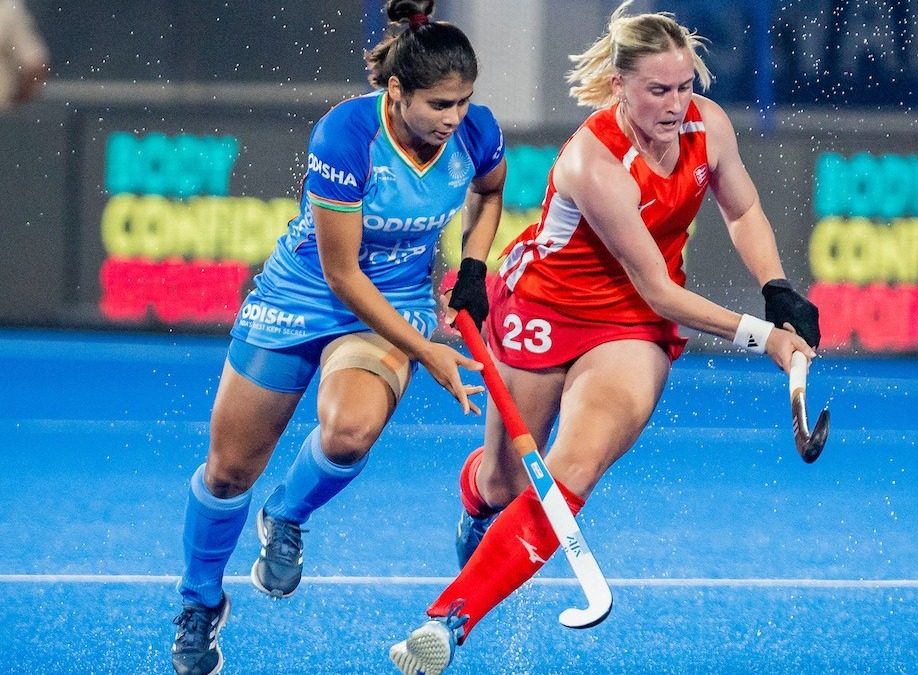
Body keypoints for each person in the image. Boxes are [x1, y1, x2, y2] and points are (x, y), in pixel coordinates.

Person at [388, 2, 820, 673]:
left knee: (571, 469)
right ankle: (477, 500)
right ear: (619, 85)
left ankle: (447, 621)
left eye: (685, 87)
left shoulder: (708, 127)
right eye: (658, 90)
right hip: (546, 306)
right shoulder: (595, 160)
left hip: (631, 326)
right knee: (505, 483)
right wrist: (762, 337)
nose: (676, 105)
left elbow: (742, 210)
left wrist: (777, 288)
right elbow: (661, 288)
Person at [170, 1, 507, 673]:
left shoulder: (477, 133)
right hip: (304, 294)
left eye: (464, 101)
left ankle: (287, 516)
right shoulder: (347, 135)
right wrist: (427, 352)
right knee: (229, 471)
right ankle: (200, 601)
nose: (455, 117)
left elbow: (491, 193)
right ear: (397, 91)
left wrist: (472, 266)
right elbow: (342, 273)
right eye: (440, 104)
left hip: (397, 299)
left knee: (350, 430)